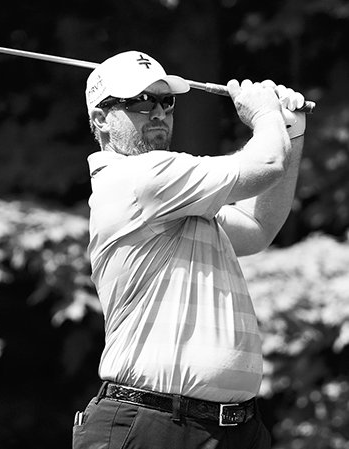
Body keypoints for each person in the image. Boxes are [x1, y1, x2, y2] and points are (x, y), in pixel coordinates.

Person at [73, 51, 306, 449]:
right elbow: (266, 163)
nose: (158, 112)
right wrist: (266, 116)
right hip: (152, 425)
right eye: (140, 102)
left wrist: (290, 130)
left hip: (235, 431)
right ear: (101, 119)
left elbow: (257, 227)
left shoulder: (178, 196)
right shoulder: (135, 179)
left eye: (166, 101)